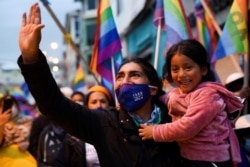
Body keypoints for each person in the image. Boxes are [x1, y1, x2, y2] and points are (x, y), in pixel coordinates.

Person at [17, 3, 181, 167]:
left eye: (135, 75)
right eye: (120, 76)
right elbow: (54, 106)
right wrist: (31, 58)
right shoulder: (105, 123)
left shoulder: (177, 119)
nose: (125, 82)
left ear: (152, 89)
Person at [139, 39, 244, 167]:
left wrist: (155, 132)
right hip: (189, 157)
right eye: (175, 69)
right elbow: (163, 99)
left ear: (203, 70)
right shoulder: (177, 93)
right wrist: (143, 99)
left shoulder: (208, 95)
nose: (181, 75)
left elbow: (187, 127)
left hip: (211, 160)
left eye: (188, 67)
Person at [0, 95, 36, 167]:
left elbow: (36, 141)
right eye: (3, 106)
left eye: (12, 105)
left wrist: (29, 144)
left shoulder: (27, 121)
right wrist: (1, 123)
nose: (10, 109)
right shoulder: (2, 124)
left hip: (26, 159)